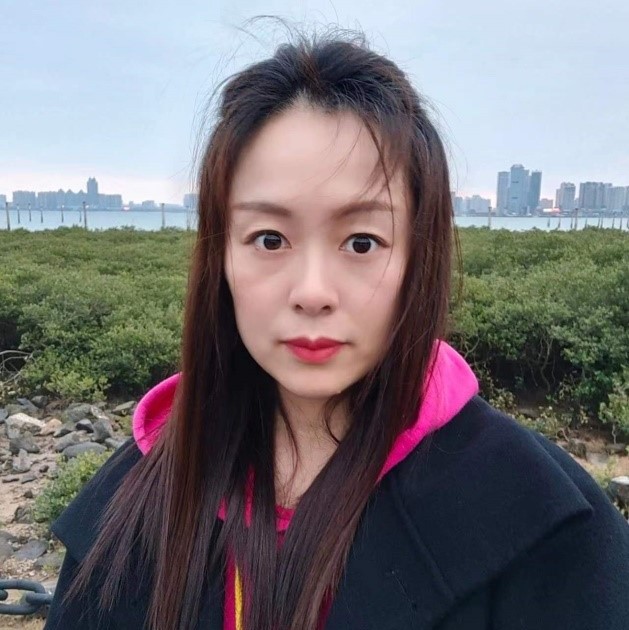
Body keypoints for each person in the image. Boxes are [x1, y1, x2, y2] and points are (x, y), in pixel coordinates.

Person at [45, 29, 629, 630]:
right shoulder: (133, 501)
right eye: (269, 239)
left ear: (418, 257)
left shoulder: (543, 524)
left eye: (362, 242)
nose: (313, 292)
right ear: (220, 257)